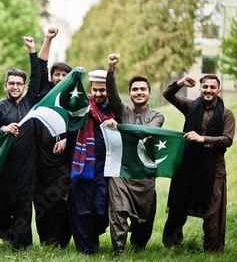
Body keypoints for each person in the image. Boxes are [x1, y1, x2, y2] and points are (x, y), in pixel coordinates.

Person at [162, 75, 235, 253]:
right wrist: (180, 83)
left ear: (219, 90)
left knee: (213, 209)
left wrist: (203, 139)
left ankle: (213, 249)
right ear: (200, 89)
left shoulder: (226, 114)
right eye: (204, 86)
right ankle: (172, 245)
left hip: (213, 168)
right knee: (180, 202)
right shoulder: (191, 105)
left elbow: (227, 140)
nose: (208, 90)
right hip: (188, 164)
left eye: (212, 87)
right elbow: (167, 94)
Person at [103, 53, 164, 257]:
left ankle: (138, 246)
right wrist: (111, 68)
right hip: (121, 169)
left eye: (142, 89)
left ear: (149, 93)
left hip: (144, 174)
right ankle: (118, 250)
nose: (138, 92)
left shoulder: (157, 116)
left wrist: (118, 126)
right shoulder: (122, 111)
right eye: (134, 89)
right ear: (129, 94)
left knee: (143, 219)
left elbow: (147, 132)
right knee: (118, 210)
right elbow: (112, 94)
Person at [0, 36, 40, 251]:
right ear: (6, 85)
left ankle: (21, 244)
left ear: (24, 86)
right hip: (3, 169)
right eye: (12, 83)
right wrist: (3, 129)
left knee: (23, 208)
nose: (15, 86)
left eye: (19, 83)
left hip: (27, 168)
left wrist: (32, 51)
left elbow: (38, 77)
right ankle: (7, 234)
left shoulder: (30, 103)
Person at [67, 69, 115, 255]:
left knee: (100, 208)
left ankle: (94, 236)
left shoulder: (115, 111)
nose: (98, 94)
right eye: (95, 89)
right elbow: (67, 105)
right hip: (81, 168)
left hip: (105, 168)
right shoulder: (83, 106)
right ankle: (85, 248)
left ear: (109, 90)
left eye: (102, 90)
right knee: (81, 209)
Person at [33, 27, 73, 248]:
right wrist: (48, 39)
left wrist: (67, 138)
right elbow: (40, 65)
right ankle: (44, 238)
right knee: (40, 200)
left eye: (64, 75)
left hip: (63, 162)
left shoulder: (73, 100)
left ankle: (60, 240)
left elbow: (78, 125)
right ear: (51, 78)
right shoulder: (43, 93)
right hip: (40, 160)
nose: (59, 78)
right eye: (57, 74)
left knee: (60, 200)